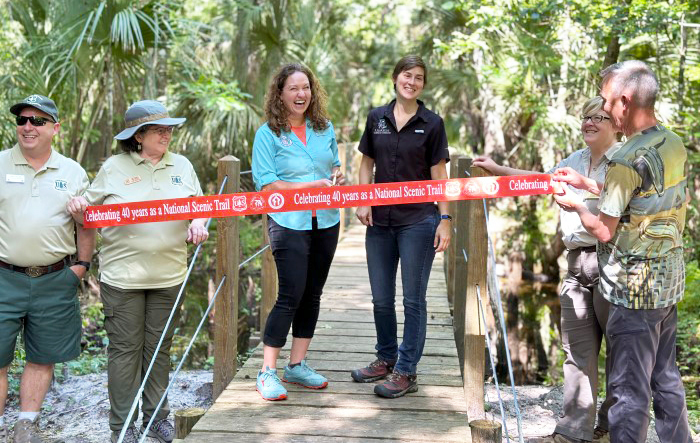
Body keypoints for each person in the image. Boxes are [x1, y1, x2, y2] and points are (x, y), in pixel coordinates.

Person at [552, 61, 691, 443]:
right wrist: (587, 183)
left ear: (625, 102)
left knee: (628, 396)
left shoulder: (625, 158)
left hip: (633, 292)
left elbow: (603, 228)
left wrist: (578, 206)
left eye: (607, 100)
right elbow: (651, 196)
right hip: (666, 285)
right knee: (664, 377)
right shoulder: (671, 142)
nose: (603, 107)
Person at [473, 97, 621, 443]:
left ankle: (611, 427)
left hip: (613, 261)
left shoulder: (624, 162)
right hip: (576, 264)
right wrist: (497, 169)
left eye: (599, 117)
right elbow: (538, 181)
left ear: (616, 124)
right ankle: (573, 431)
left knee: (619, 350)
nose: (589, 122)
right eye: (586, 117)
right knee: (577, 352)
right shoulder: (576, 160)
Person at [67, 100, 208, 443]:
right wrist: (78, 209)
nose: (167, 134)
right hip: (123, 278)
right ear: (138, 136)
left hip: (170, 275)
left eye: (169, 128)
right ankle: (123, 427)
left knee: (159, 349)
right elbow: (88, 212)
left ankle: (155, 418)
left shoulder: (182, 165)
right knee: (125, 352)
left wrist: (199, 223)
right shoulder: (114, 168)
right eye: (159, 129)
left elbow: (201, 206)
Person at [351, 55, 451, 399]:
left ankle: (406, 371)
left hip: (418, 222)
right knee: (380, 299)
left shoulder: (433, 123)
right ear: (395, 78)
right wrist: (364, 200)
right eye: (407, 75)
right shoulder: (376, 117)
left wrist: (445, 219)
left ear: (423, 85)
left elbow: (440, 175)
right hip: (379, 221)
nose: (412, 81)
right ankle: (386, 357)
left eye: (419, 78)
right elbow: (366, 163)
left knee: (413, 300)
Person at [0, 95, 95, 443]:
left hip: (55, 277)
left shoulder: (72, 172)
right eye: (22, 120)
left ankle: (26, 425)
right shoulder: (0, 164)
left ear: (55, 128)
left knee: (43, 356)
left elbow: (87, 224)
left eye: (37, 121)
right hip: (3, 277)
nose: (28, 127)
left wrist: (81, 266)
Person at [252, 63, 345, 401]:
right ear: (280, 94)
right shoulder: (267, 134)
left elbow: (332, 164)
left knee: (313, 294)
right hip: (288, 222)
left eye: (305, 87)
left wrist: (337, 176)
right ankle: (267, 372)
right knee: (290, 294)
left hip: (327, 220)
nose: (301, 94)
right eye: (293, 88)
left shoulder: (325, 128)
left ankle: (297, 365)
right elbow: (268, 184)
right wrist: (311, 185)